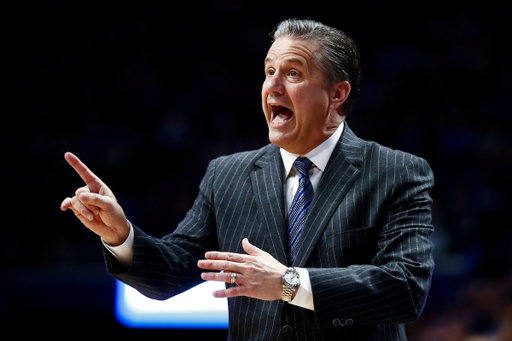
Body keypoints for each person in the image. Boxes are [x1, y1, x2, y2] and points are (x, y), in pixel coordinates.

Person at [61, 19, 435, 340]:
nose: (273, 86)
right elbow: (171, 273)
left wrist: (288, 284)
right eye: (269, 71)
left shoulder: (396, 171)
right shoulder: (227, 175)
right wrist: (119, 234)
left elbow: (404, 288)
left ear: (337, 94)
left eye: (292, 73)